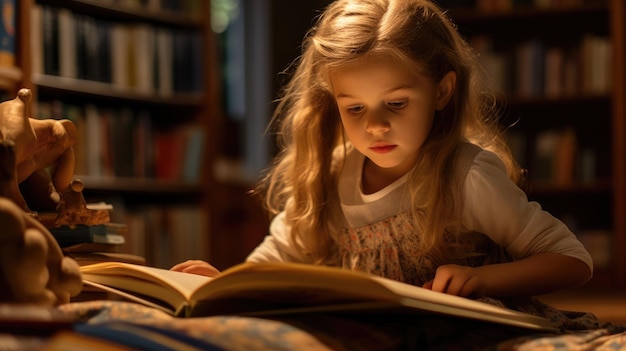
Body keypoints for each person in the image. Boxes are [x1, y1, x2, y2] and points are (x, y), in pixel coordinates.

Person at [173, 0, 592, 302]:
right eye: (354, 107)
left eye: (396, 103)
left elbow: (571, 259)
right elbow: (275, 258)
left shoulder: (466, 176)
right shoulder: (330, 176)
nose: (375, 125)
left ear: (442, 91)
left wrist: (483, 280)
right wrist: (223, 282)